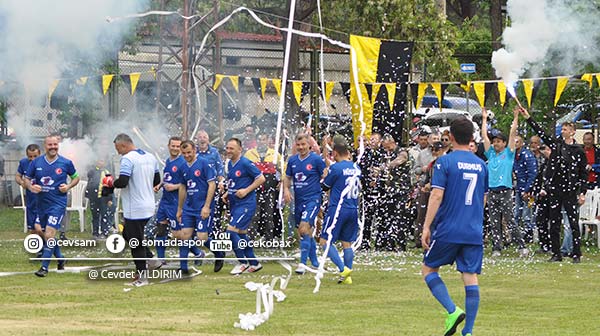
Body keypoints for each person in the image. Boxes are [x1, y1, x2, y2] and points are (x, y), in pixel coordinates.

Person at [421, 117, 488, 336]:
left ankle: (452, 311)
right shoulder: (481, 165)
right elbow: (483, 199)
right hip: (473, 229)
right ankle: (468, 331)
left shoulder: (444, 162)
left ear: (449, 137)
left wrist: (426, 226)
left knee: (428, 269)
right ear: (471, 138)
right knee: (470, 275)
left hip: (449, 227)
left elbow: (436, 195)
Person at [519, 108, 587, 263]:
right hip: (555, 189)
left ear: (572, 132)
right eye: (562, 129)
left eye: (565, 129)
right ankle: (556, 253)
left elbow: (583, 173)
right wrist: (528, 118)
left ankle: (576, 253)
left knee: (573, 221)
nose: (562, 131)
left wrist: (582, 192)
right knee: (554, 222)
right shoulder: (556, 145)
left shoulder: (578, 150)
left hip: (570, 190)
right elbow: (542, 133)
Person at [106, 133, 161, 286]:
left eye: (118, 148)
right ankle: (152, 260)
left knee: (135, 242)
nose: (118, 152)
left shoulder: (128, 158)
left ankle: (142, 278)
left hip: (135, 207)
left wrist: (110, 183)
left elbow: (123, 181)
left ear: (124, 145)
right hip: (148, 204)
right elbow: (156, 180)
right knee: (128, 234)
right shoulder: (150, 157)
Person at [25, 135, 80, 277]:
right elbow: (26, 179)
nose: (53, 147)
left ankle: (44, 268)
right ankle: (61, 258)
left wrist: (67, 186)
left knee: (49, 233)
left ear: (58, 145)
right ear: (45, 146)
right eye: (50, 145)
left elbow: (76, 178)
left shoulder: (65, 162)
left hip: (58, 204)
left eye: (55, 144)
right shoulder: (36, 162)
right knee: (45, 233)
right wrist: (31, 188)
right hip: (41, 204)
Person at [481, 107, 527, 257]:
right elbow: (484, 136)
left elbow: (513, 132)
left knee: (509, 220)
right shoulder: (491, 154)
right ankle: (496, 247)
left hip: (505, 191)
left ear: (505, 143)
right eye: (494, 141)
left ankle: (521, 245)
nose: (496, 144)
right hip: (492, 192)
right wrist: (484, 119)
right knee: (494, 222)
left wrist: (516, 117)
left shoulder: (508, 154)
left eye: (499, 142)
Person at [153, 137, 205, 266]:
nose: (175, 148)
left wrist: (174, 187)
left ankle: (198, 252)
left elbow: (187, 183)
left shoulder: (183, 162)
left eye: (178, 146)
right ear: (168, 146)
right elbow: (167, 178)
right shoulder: (168, 161)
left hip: (176, 202)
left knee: (179, 234)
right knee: (161, 228)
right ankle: (161, 259)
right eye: (173, 146)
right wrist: (159, 185)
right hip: (165, 200)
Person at [176, 140, 225, 274]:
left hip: (202, 206)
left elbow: (212, 185)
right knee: (184, 235)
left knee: (202, 237)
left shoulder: (204, 163)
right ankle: (183, 268)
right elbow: (182, 187)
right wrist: (180, 209)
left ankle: (219, 253)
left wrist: (207, 206)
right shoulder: (183, 167)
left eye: (189, 152)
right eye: (184, 153)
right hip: (188, 207)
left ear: (195, 151)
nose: (186, 155)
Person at [283, 133, 326, 274]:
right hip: (298, 200)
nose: (301, 147)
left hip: (313, 199)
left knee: (303, 227)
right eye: (298, 145)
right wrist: (286, 190)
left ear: (309, 145)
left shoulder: (316, 160)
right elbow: (287, 177)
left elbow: (325, 175)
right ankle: (315, 262)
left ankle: (302, 264)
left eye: (303, 145)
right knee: (304, 233)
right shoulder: (293, 161)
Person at [223, 138, 266, 275]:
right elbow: (234, 182)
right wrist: (226, 193)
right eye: (227, 148)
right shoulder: (230, 164)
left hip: (246, 204)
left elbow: (261, 178)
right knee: (241, 235)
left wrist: (246, 190)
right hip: (235, 204)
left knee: (230, 232)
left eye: (232, 148)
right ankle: (254, 263)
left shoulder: (246, 163)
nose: (228, 151)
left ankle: (242, 262)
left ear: (239, 149)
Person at [320, 140, 361, 284]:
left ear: (335, 153)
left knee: (325, 241)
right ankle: (347, 277)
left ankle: (343, 269)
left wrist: (325, 174)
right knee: (346, 243)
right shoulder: (356, 167)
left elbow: (324, 187)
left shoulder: (336, 168)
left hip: (338, 209)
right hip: (353, 208)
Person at [244, 133, 280, 241]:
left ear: (267, 141)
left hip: (269, 189)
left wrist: (282, 180)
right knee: (254, 215)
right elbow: (244, 169)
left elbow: (283, 167)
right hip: (254, 189)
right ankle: (250, 239)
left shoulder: (274, 154)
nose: (261, 141)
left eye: (263, 139)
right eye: (259, 139)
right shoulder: (249, 154)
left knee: (269, 214)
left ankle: (269, 239)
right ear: (256, 141)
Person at [512, 135, 538, 243]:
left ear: (522, 143)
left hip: (529, 191)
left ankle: (528, 236)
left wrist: (527, 190)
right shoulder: (514, 156)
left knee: (528, 214)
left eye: (517, 142)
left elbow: (533, 174)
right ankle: (517, 237)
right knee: (517, 212)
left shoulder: (528, 156)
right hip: (519, 189)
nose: (515, 144)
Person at [16, 144, 42, 236]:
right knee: (32, 227)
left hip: (43, 197)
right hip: (31, 198)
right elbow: (18, 176)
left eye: (35, 156)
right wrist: (22, 182)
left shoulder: (45, 163)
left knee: (43, 227)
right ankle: (35, 242)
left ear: (40, 154)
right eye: (30, 156)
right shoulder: (23, 163)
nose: (32, 159)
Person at [86, 158, 115, 238]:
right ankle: (95, 232)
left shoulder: (107, 173)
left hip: (104, 197)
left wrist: (109, 199)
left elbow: (109, 187)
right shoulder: (92, 171)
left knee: (104, 215)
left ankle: (104, 232)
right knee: (95, 215)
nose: (100, 162)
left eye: (102, 161)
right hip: (94, 197)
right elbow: (89, 179)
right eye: (99, 160)